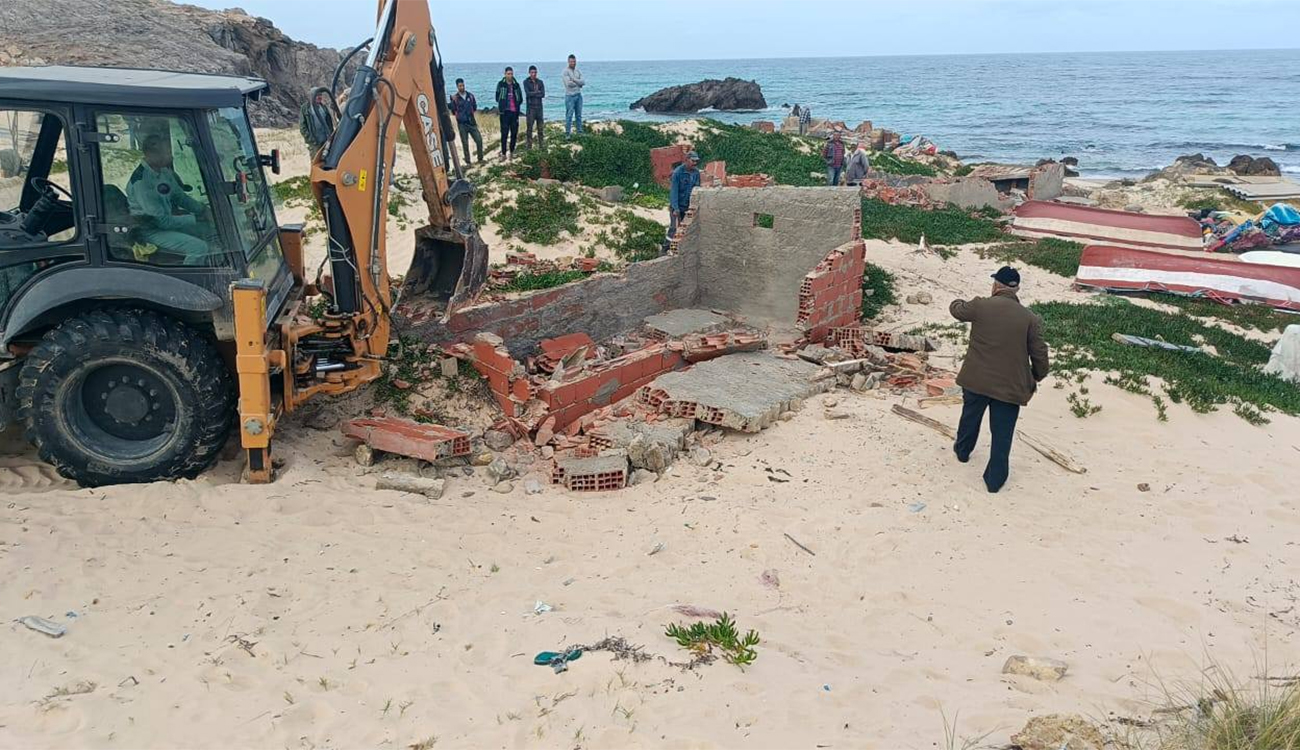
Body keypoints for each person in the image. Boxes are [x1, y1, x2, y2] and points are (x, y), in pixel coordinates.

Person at [949, 266, 1051, 493]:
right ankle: (994, 481)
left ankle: (962, 452)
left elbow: (957, 311)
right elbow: (1040, 353)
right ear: (1016, 288)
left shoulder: (981, 305)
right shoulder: (1030, 318)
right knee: (1002, 433)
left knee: (970, 417)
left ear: (996, 284)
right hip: (1009, 387)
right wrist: (1037, 375)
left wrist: (956, 301)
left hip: (976, 380)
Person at [126, 134, 212, 265]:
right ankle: (188, 281)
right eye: (166, 152)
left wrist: (203, 209)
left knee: (209, 229)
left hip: (164, 223)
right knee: (198, 248)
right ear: (151, 155)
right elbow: (162, 222)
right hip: (150, 231)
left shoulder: (164, 172)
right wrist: (198, 218)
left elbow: (179, 197)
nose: (171, 156)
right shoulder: (142, 183)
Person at [449, 79, 483, 164]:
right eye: (460, 86)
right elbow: (453, 111)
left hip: (471, 122)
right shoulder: (455, 98)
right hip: (462, 124)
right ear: (457, 86)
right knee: (465, 143)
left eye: (463, 85)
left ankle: (480, 159)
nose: (462, 87)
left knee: (479, 140)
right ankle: (468, 161)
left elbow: (474, 107)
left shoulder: (470, 96)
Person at [668, 151, 700, 239]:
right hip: (677, 206)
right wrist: (675, 208)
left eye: (696, 161)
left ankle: (681, 249)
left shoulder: (696, 173)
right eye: (693, 161)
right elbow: (674, 192)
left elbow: (697, 189)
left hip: (687, 206)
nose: (695, 163)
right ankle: (665, 248)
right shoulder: (677, 173)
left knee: (685, 229)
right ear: (687, 160)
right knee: (674, 228)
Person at [495, 66, 523, 160]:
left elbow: (520, 98)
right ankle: (503, 153)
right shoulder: (501, 84)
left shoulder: (516, 85)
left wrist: (517, 105)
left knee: (514, 133)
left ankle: (511, 152)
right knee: (504, 134)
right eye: (508, 74)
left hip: (514, 112)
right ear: (505, 74)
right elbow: (497, 97)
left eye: (511, 74)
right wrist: (502, 103)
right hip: (504, 113)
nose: (510, 76)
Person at [298, 88, 336, 155]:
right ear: (312, 96)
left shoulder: (323, 107)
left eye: (320, 95)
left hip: (326, 141)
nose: (319, 97)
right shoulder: (305, 108)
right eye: (317, 95)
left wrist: (331, 136)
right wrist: (310, 139)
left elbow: (329, 123)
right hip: (315, 143)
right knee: (315, 161)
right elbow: (302, 127)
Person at [523, 65, 546, 150]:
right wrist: (537, 92)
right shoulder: (526, 82)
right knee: (529, 129)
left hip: (539, 108)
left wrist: (534, 93)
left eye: (535, 72)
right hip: (530, 108)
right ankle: (529, 147)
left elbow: (543, 94)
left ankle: (541, 146)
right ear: (529, 73)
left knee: (540, 128)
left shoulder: (540, 82)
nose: (534, 74)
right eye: (532, 72)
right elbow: (528, 94)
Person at [562, 54, 585, 137]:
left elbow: (583, 82)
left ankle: (579, 132)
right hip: (570, 96)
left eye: (574, 61)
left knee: (579, 115)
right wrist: (578, 83)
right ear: (568, 62)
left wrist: (574, 80)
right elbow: (568, 84)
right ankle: (567, 133)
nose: (573, 63)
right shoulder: (565, 71)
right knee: (569, 115)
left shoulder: (578, 71)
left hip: (578, 95)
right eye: (571, 61)